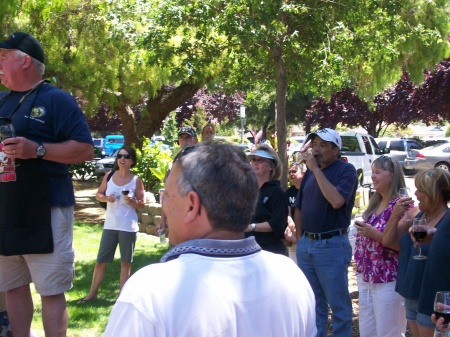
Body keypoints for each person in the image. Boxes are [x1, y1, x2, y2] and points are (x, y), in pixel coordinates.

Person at [104, 141, 317, 337]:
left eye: (168, 195)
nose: (165, 206)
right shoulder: (292, 277)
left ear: (192, 205)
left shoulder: (149, 291)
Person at [0, 32, 93, 336]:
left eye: (3, 57)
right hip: (7, 210)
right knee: (12, 286)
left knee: (50, 290)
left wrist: (37, 150)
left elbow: (84, 149)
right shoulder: (1, 100)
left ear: (24, 61)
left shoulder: (57, 100)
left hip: (47, 209)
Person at [293, 128, 358, 337]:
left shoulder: (345, 171)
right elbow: (300, 207)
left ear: (335, 150)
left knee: (338, 305)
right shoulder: (311, 172)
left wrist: (315, 169)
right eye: (314, 145)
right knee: (313, 303)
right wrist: (300, 239)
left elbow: (337, 201)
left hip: (331, 245)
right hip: (307, 245)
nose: (316, 149)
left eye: (322, 145)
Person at [384, 168, 450, 337]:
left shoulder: (447, 220)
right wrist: (395, 215)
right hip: (411, 291)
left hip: (432, 297)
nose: (416, 193)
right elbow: (389, 241)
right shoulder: (416, 215)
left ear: (432, 194)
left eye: (420, 189)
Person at [80, 146, 145, 303]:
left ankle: (121, 297)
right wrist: (106, 198)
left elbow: (142, 204)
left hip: (127, 226)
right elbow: (98, 194)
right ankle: (92, 294)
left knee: (125, 263)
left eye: (126, 156)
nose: (122, 159)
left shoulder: (136, 180)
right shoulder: (109, 176)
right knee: (100, 261)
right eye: (120, 156)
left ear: (132, 161)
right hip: (110, 225)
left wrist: (132, 201)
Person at [353, 156, 408, 337]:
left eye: (378, 172)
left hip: (388, 278)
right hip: (366, 275)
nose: (373, 177)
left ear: (392, 176)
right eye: (373, 172)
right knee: (367, 331)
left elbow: (397, 244)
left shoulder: (402, 205)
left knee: (388, 332)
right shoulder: (375, 201)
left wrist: (371, 233)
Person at [245, 144, 289, 255]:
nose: (255, 163)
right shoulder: (248, 190)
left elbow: (278, 224)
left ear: (271, 166)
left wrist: (251, 227)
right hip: (248, 250)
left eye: (260, 160)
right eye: (253, 160)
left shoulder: (276, 192)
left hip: (270, 251)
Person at [284, 162, 306, 263]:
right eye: (289, 172)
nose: (291, 174)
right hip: (293, 234)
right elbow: (288, 214)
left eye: (294, 171)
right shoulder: (288, 192)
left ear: (303, 173)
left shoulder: (309, 189)